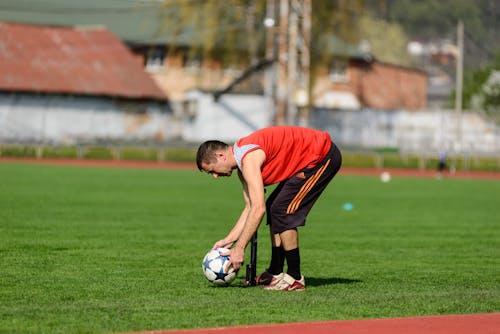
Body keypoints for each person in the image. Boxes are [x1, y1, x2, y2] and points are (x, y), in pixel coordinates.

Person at [196, 126, 342, 291]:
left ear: (220, 156)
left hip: (321, 155)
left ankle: (295, 277)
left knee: (282, 210)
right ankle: (275, 271)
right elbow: (250, 208)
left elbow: (258, 210)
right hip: (307, 159)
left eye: (211, 170)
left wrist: (240, 249)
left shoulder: (248, 159)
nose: (215, 176)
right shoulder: (242, 166)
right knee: (275, 207)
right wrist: (228, 241)